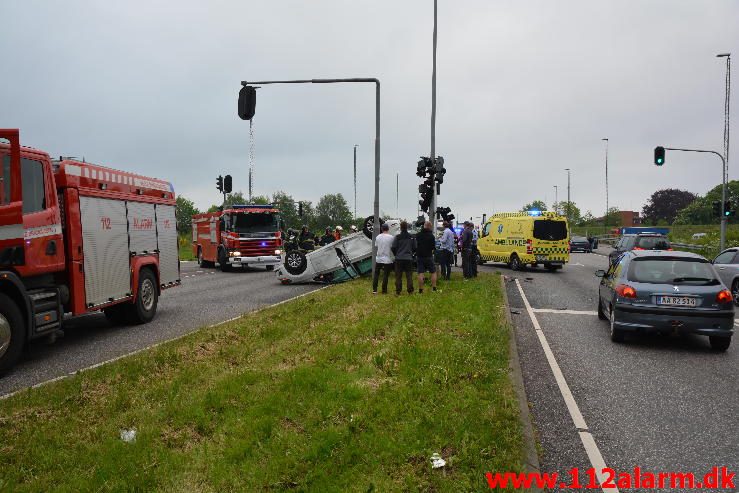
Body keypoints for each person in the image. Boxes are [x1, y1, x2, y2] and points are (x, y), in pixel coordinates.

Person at [391, 220, 416, 295]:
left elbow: (393, 247)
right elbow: (415, 247)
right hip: (408, 258)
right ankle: (410, 291)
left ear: (401, 228)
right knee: (409, 275)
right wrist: (411, 254)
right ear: (407, 227)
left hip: (399, 258)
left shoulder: (398, 237)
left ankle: (398, 291)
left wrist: (396, 254)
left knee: (398, 275)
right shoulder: (411, 237)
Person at [416, 221, 438, 293]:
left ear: (424, 226)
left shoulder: (418, 235)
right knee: (433, 272)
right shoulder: (431, 236)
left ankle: (420, 290)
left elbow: (416, 245)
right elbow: (433, 247)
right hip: (428, 256)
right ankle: (434, 288)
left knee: (420, 273)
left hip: (419, 256)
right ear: (430, 227)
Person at [372, 223, 395, 294]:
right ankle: (384, 290)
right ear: (388, 229)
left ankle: (374, 290)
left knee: (376, 274)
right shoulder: (391, 237)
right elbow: (392, 247)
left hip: (379, 258)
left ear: (381, 229)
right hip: (387, 258)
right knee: (385, 275)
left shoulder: (378, 237)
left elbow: (376, 245)